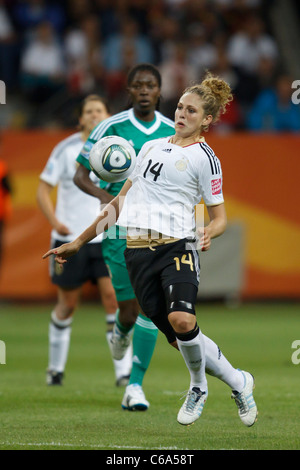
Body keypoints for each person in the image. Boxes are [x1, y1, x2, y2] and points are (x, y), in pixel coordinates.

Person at [43, 73, 258, 427]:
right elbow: (118, 203)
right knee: (181, 339)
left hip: (177, 248)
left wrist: (208, 232)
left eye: (191, 111)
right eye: (179, 107)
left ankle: (198, 386)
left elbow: (219, 218)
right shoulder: (150, 148)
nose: (182, 114)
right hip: (137, 253)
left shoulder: (206, 158)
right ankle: (238, 380)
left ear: (206, 120)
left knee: (182, 319)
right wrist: (79, 242)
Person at [73, 63, 175, 411]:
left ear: (160, 91)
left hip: (156, 227)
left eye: (151, 85)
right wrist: (107, 199)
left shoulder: (173, 131)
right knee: (128, 309)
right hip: (116, 226)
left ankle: (134, 386)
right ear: (129, 90)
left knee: (149, 306)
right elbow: (79, 175)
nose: (144, 90)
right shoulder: (109, 127)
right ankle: (120, 329)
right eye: (138, 85)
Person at [37, 94, 132, 387]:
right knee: (67, 305)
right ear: (80, 118)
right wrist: (55, 223)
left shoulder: (118, 147)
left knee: (112, 300)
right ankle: (55, 370)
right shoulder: (65, 149)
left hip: (106, 234)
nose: (94, 115)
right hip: (69, 237)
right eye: (88, 111)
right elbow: (43, 189)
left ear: (108, 115)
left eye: (99, 110)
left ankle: (123, 374)